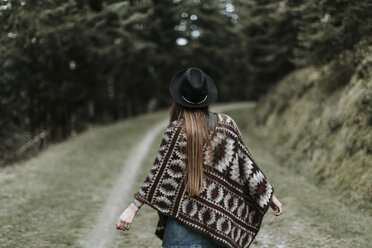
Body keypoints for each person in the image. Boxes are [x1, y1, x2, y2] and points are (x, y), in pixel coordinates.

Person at [116, 67, 283, 248]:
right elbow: (247, 166)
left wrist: (132, 208)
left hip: (181, 230)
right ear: (207, 96)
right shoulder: (227, 125)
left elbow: (158, 177)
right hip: (220, 227)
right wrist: (268, 194)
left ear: (178, 99)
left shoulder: (175, 131)